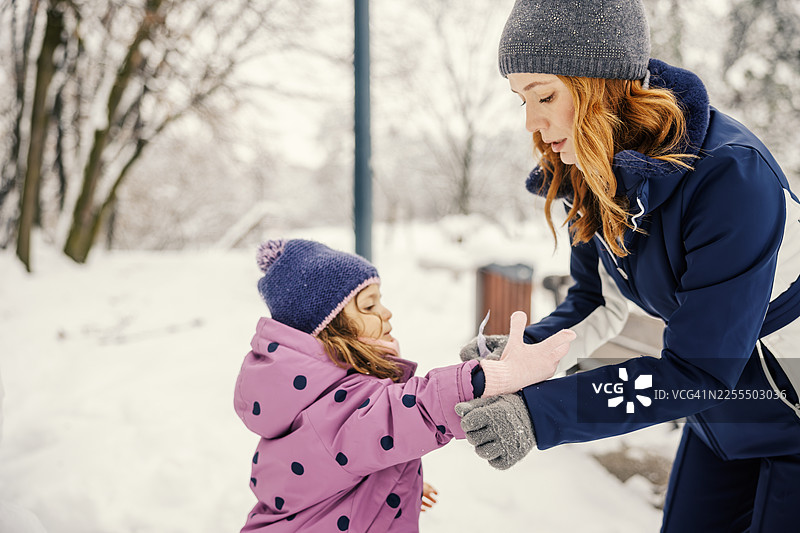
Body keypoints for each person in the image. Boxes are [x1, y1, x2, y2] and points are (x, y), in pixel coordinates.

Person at [456, 1, 800, 531]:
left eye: (545, 95)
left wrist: (539, 414)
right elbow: (597, 301)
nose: (531, 121)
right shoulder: (593, 172)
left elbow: (698, 368)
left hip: (787, 414)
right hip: (717, 418)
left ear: (604, 85)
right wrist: (528, 356)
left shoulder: (729, 176)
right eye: (521, 99)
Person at [233, 238, 575, 532]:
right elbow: (411, 410)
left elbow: (341, 463)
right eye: (369, 305)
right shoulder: (338, 405)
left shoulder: (310, 396)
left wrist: (387, 479)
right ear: (329, 329)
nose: (386, 313)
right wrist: (491, 377)